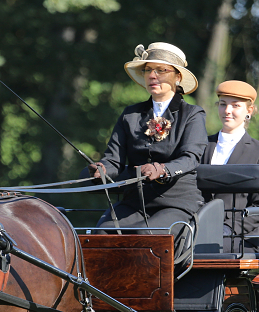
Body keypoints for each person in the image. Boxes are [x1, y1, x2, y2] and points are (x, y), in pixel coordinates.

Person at [83, 42, 208, 241]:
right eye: (148, 70)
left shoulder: (192, 114)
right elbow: (113, 160)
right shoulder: (130, 115)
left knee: (146, 236)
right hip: (134, 203)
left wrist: (162, 169)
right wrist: (102, 169)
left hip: (175, 203)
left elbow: (190, 158)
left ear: (177, 77)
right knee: (102, 232)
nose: (152, 75)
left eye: (161, 70)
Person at [202, 80, 259, 251]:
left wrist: (228, 228)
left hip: (238, 236)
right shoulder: (201, 145)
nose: (227, 111)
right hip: (197, 226)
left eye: (235, 106)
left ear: (249, 111)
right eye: (222, 104)